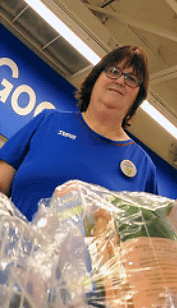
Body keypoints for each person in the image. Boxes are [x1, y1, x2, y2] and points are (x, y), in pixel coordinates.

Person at [0, 45, 159, 221]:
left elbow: (143, 239)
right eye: (114, 71)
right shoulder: (48, 121)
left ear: (138, 96)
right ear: (96, 77)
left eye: (132, 79)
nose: (121, 81)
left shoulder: (143, 166)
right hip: (11, 247)